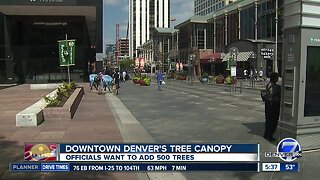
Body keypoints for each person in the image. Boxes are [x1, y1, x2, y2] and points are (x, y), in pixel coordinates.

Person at [264, 72, 281, 142]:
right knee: (273, 121)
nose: (278, 78)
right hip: (274, 105)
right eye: (277, 77)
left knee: (268, 120)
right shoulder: (276, 87)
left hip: (268, 104)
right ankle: (270, 135)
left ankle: (266, 134)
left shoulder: (268, 84)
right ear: (274, 78)